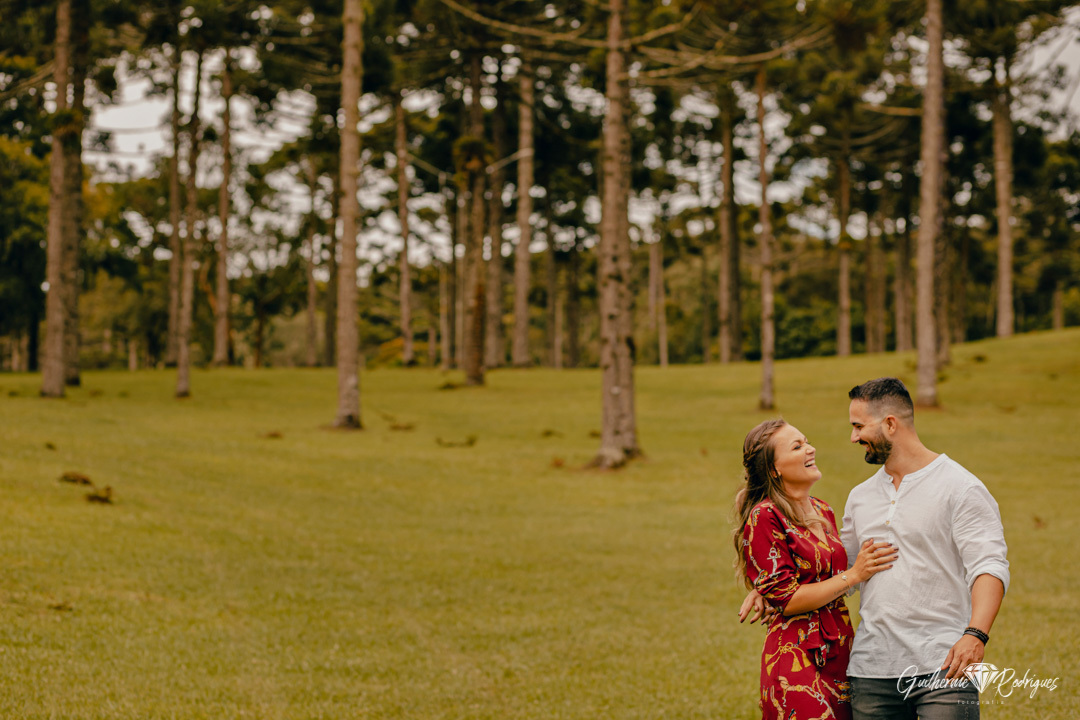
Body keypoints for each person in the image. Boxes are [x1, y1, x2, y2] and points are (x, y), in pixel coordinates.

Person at [740, 378, 1010, 720]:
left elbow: (989, 566)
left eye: (858, 426)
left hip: (944, 665)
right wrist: (772, 590)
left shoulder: (960, 487)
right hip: (871, 672)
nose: (853, 437)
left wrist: (976, 634)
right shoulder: (861, 496)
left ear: (890, 425)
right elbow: (843, 571)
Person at [735, 418, 898, 720]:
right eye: (797, 447)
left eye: (806, 441)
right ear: (774, 469)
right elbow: (788, 600)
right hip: (795, 654)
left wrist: (765, 588)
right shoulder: (765, 516)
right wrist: (854, 574)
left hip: (840, 648)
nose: (810, 449)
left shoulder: (823, 510)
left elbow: (821, 573)